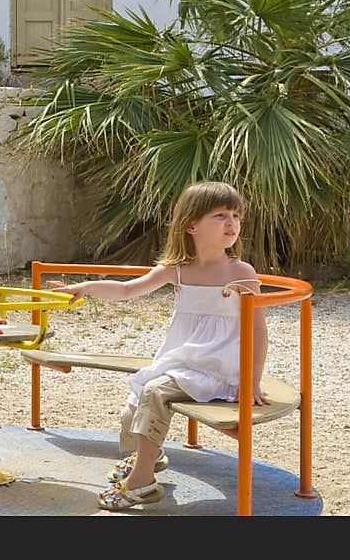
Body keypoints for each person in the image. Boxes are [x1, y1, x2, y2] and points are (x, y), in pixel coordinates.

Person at [47, 181, 270, 510]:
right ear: (191, 225)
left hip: (219, 367)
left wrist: (251, 380)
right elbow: (127, 291)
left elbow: (258, 330)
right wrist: (86, 287)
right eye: (220, 215)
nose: (232, 223)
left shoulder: (240, 272)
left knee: (154, 392)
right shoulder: (177, 270)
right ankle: (149, 456)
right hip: (182, 361)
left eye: (236, 216)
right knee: (138, 391)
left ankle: (143, 482)